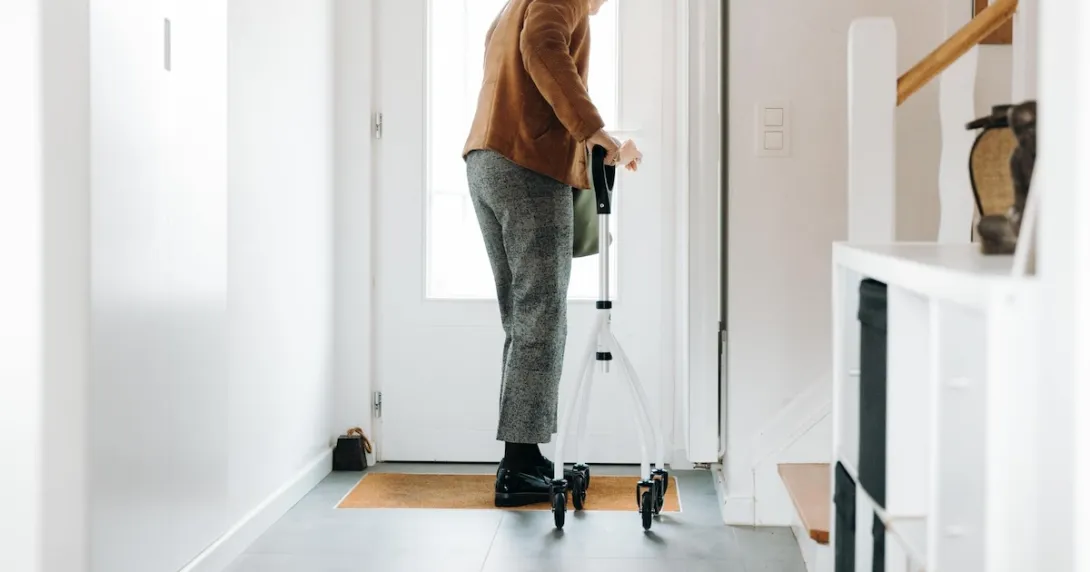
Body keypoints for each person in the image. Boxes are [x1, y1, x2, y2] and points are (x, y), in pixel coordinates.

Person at [462, 0, 640, 507]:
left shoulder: (516, 4)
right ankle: (518, 468)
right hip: (526, 166)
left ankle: (525, 453)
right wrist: (593, 130)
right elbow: (542, 49)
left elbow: (524, 67)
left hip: (488, 161)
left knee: (524, 318)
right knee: (540, 316)